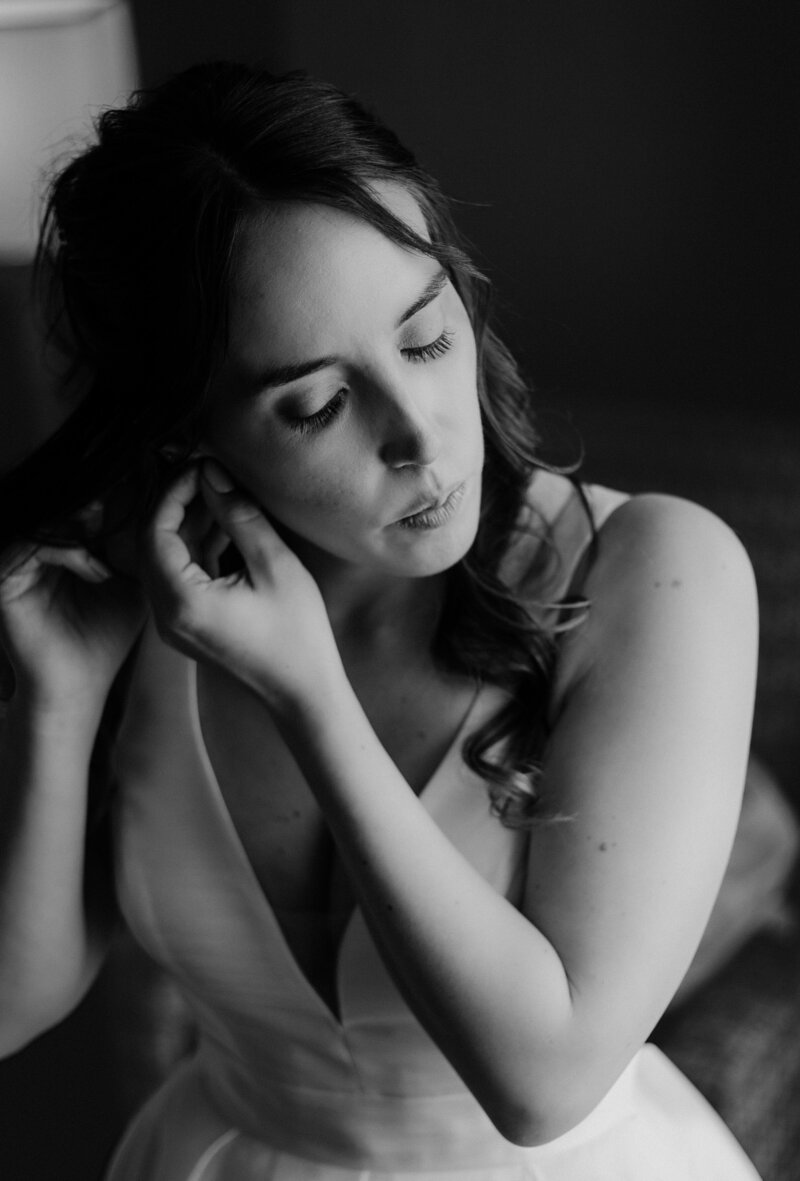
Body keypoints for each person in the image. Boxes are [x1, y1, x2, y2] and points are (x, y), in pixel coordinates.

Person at [0, 61, 764, 1179]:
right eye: (314, 403)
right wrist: (58, 704)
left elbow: (542, 1081)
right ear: (191, 434)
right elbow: (18, 1003)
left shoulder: (656, 569)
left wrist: (308, 693)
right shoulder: (152, 596)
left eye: (422, 336)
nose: (417, 433)